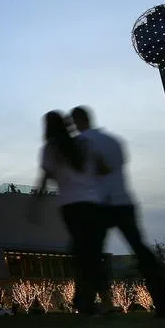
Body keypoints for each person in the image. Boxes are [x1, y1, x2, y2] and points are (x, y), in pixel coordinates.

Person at [71, 105, 165, 318]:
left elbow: (87, 171)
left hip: (99, 204)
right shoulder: (114, 141)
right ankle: (164, 303)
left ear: (77, 122)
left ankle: (85, 304)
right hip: (124, 201)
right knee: (141, 251)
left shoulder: (81, 143)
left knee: (89, 254)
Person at [29, 110, 107, 315]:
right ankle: (96, 299)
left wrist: (35, 203)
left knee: (82, 252)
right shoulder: (82, 144)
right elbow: (103, 168)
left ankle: (86, 300)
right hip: (93, 203)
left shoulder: (50, 148)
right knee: (91, 252)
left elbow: (44, 178)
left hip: (71, 205)